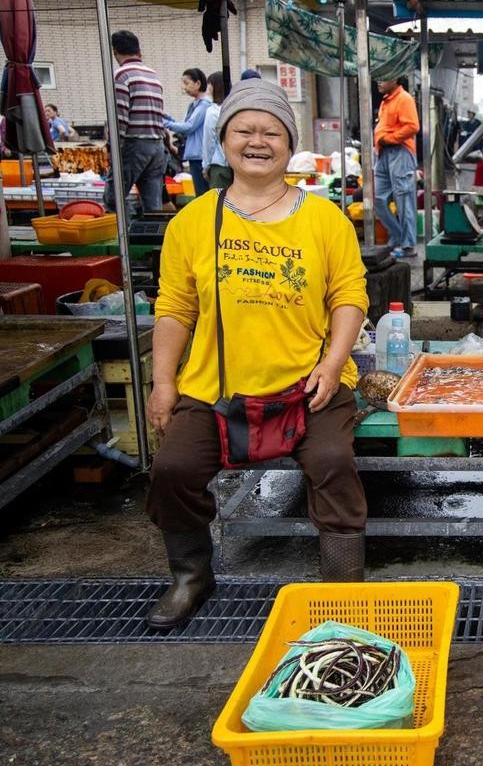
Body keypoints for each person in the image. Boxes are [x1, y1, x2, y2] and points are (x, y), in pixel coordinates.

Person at [145, 78, 369, 629]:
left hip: (307, 385)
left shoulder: (325, 219)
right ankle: (191, 577)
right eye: (243, 129)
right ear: (223, 140)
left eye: (271, 131)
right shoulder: (193, 221)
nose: (257, 140)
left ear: (289, 146)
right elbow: (174, 306)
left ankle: (343, 592)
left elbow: (350, 297)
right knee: (172, 469)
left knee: (334, 465)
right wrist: (163, 381)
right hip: (215, 388)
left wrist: (332, 364)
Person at [104, 30, 167, 213]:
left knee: (113, 197)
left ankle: (130, 233)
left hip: (134, 144)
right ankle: (152, 239)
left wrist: (112, 147)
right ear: (138, 49)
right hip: (156, 144)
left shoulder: (121, 75)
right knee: (153, 205)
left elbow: (120, 117)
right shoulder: (153, 75)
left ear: (115, 51)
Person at [373, 74, 420, 258]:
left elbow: (412, 126)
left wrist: (389, 138)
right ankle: (398, 236)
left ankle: (408, 245)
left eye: (384, 77)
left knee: (404, 199)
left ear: (395, 80)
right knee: (377, 198)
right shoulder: (387, 100)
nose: (379, 80)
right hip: (384, 152)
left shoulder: (404, 98)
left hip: (400, 152)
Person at [165, 68, 214, 195]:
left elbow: (189, 126)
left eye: (187, 83)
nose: (184, 87)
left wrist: (165, 123)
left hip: (199, 156)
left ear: (198, 83)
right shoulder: (194, 105)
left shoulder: (204, 105)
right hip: (195, 155)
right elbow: (185, 126)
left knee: (202, 193)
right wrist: (168, 119)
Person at [201, 71, 232, 190]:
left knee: (218, 204)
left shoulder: (212, 112)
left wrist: (206, 166)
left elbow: (208, 142)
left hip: (219, 165)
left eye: (209, 85)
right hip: (237, 166)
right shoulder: (234, 108)